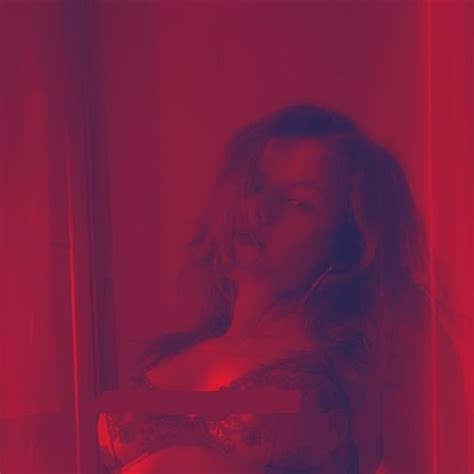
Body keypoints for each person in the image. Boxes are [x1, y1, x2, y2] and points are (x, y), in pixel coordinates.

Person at [97, 105, 468, 473]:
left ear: (347, 240)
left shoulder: (358, 367)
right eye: (256, 186)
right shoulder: (170, 355)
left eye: (299, 202)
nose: (261, 209)